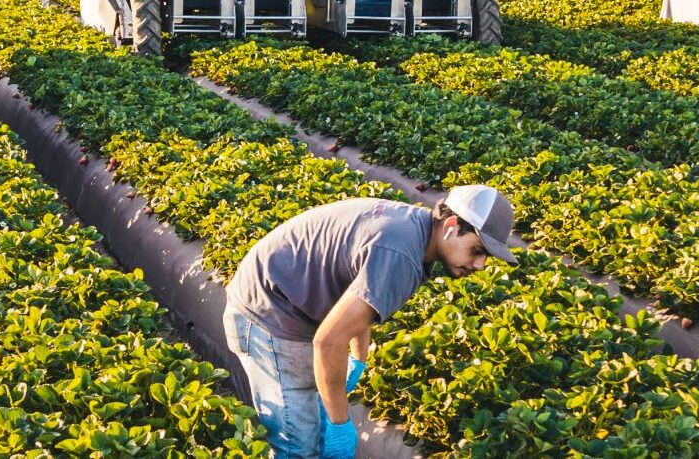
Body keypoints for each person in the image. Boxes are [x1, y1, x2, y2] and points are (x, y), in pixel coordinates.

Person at [222, 185, 518, 459]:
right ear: (451, 226)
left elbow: (356, 291)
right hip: (268, 312)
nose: (481, 265)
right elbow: (327, 342)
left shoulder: (414, 229)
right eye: (477, 250)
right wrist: (340, 425)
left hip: (289, 302)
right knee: (298, 446)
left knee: (317, 424)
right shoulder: (402, 255)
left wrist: (359, 358)